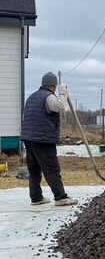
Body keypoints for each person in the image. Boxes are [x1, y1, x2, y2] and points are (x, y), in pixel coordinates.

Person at [20, 72, 78, 206]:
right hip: (42, 139)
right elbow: (59, 106)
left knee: (34, 170)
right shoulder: (48, 97)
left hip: (29, 138)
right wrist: (63, 93)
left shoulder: (32, 97)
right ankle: (60, 197)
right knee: (52, 168)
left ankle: (36, 197)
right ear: (54, 85)